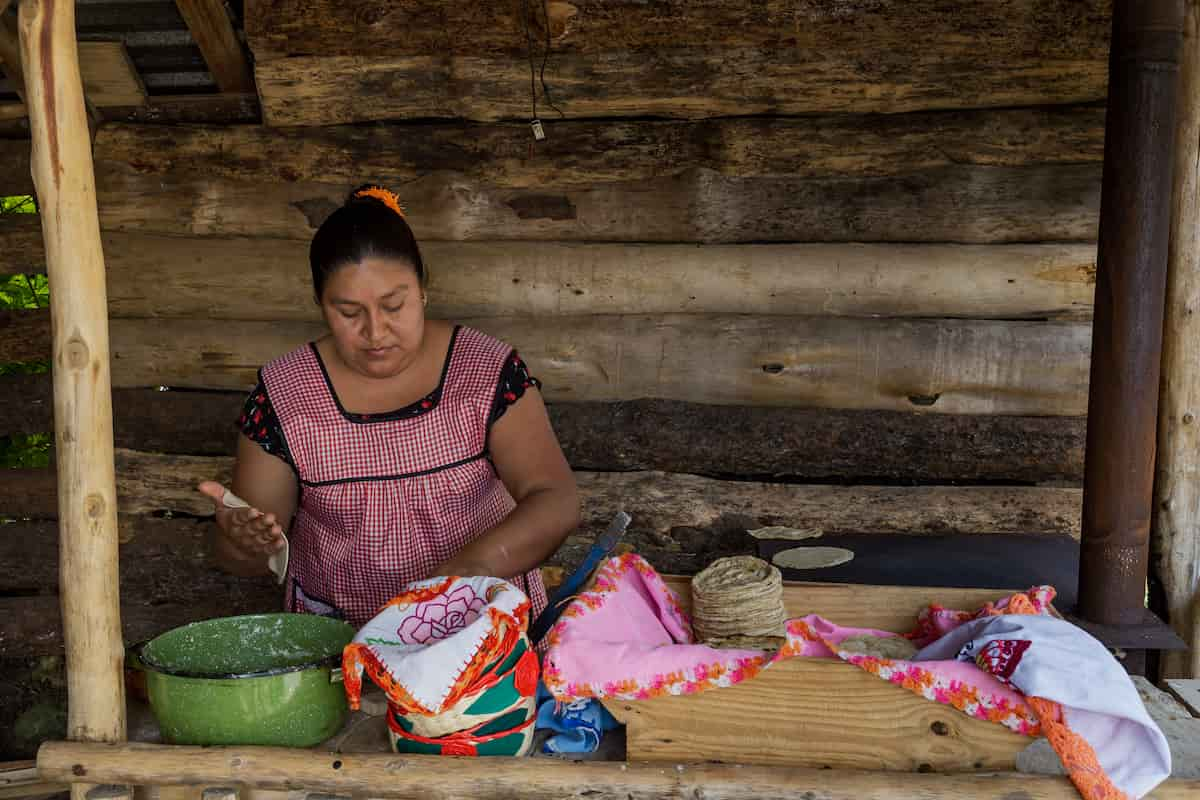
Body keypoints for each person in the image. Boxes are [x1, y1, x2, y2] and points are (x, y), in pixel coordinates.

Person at [198, 185, 579, 627]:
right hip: (342, 642)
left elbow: (555, 499)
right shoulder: (285, 395)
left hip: (479, 630)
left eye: (393, 305)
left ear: (423, 289)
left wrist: (471, 569)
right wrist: (241, 542)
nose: (375, 331)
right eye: (348, 312)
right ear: (320, 304)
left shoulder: (484, 370)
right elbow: (247, 557)